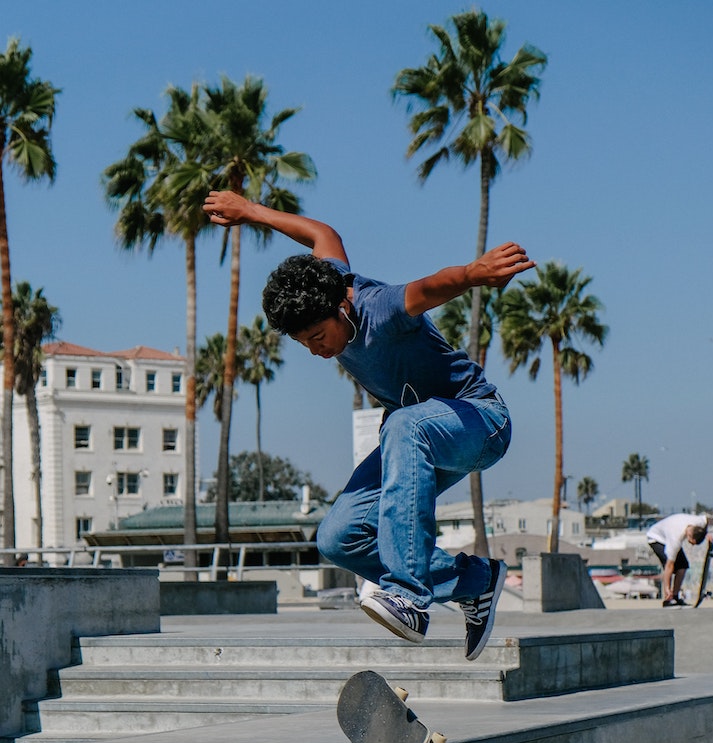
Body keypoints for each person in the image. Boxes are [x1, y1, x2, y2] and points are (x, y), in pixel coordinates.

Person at [203, 190, 535, 659]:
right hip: (418, 440)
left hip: (479, 421)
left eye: (318, 337)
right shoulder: (328, 279)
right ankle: (475, 581)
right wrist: (250, 211)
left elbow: (429, 287)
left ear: (341, 309)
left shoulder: (379, 308)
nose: (317, 351)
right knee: (338, 537)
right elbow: (323, 234)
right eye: (304, 344)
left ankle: (410, 596)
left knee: (402, 424)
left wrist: (474, 273)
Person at [646, 513, 712, 606]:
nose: (691, 545)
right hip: (656, 538)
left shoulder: (700, 522)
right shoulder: (675, 538)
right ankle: (668, 598)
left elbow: (706, 520)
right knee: (672, 566)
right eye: (691, 542)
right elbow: (669, 566)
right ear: (689, 535)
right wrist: (667, 588)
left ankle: (676, 596)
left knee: (683, 566)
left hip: (669, 531)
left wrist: (706, 533)